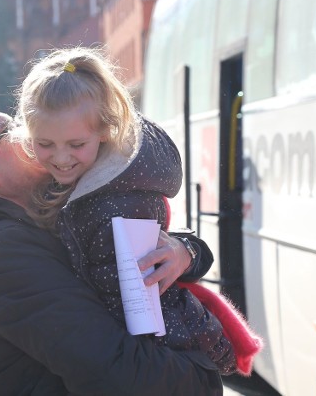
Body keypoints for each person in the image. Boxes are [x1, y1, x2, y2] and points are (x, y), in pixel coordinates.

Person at [0, 104, 223, 395]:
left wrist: (185, 250)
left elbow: (135, 256)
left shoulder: (39, 216)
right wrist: (202, 376)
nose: (27, 131)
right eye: (9, 129)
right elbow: (111, 371)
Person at [13, 46, 256, 375]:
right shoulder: (76, 182)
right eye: (45, 144)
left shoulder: (112, 203)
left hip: (159, 357)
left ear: (104, 131)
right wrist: (189, 249)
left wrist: (189, 251)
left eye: (76, 145)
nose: (60, 157)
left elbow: (135, 316)